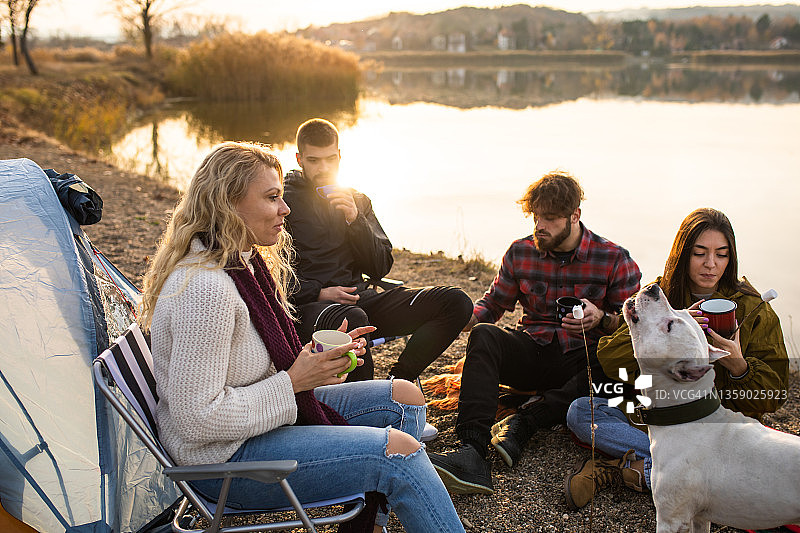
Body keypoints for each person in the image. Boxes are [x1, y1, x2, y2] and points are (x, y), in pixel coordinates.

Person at [139, 141, 466, 533]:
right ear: (228, 202)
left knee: (405, 400)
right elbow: (197, 419)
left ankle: (364, 526)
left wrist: (317, 362)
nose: (285, 209)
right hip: (222, 462)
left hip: (253, 425)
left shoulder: (240, 261)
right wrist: (295, 380)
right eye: (272, 198)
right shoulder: (207, 290)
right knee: (401, 453)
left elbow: (250, 364)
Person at [427, 171, 642, 494]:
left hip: (580, 364)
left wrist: (601, 319)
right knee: (484, 334)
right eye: (536, 217)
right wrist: (460, 319)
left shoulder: (614, 259)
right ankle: (472, 452)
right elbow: (495, 303)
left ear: (575, 216)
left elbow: (634, 328)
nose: (540, 226)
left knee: (613, 366)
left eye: (551, 219)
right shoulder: (520, 251)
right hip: (532, 351)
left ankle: (525, 422)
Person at [563, 207, 789, 510]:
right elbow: (609, 357)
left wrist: (738, 366)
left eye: (721, 255)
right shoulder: (660, 297)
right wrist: (668, 329)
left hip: (723, 433)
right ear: (683, 254)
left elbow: (773, 396)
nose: (711, 265)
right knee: (582, 411)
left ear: (731, 258)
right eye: (699, 253)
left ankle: (626, 470)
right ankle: (678, 470)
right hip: (662, 423)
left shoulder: (753, 308)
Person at [283, 118, 473, 385]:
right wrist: (317, 291)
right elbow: (269, 272)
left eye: (330, 159)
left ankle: (400, 379)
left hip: (360, 299)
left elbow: (381, 266)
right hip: (310, 308)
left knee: (456, 302)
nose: (323, 168)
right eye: (314, 160)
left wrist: (355, 220)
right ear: (299, 158)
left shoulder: (357, 200)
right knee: (353, 320)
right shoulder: (282, 201)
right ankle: (367, 411)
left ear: (340, 156)